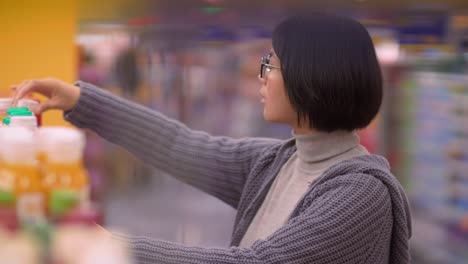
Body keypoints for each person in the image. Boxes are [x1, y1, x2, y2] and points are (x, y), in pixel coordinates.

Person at [12, 13, 412, 264]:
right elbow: (180, 146)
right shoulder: (279, 162)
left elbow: (259, 262)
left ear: (312, 77)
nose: (262, 75)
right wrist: (80, 100)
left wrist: (110, 245)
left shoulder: (361, 195)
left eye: (270, 63)